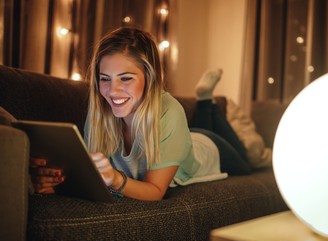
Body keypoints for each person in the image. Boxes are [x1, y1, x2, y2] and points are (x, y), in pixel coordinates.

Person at [29, 27, 251, 200]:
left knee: (249, 163)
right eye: (105, 78)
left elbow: (155, 191)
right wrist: (59, 182)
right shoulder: (100, 111)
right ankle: (205, 99)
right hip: (179, 139)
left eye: (125, 78)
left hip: (210, 148)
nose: (112, 90)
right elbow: (95, 176)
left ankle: (205, 100)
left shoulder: (170, 110)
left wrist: (115, 179)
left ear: (150, 77)